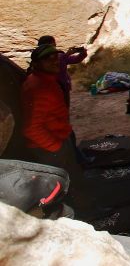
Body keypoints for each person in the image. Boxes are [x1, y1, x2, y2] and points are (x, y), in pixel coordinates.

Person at [21, 44, 81, 183]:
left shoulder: (45, 80)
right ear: (36, 64)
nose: (54, 61)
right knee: (63, 185)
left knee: (70, 181)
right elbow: (31, 129)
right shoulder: (39, 88)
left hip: (55, 140)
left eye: (55, 57)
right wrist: (56, 147)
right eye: (47, 59)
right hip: (50, 148)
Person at [36, 35, 87, 108]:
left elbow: (75, 59)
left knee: (65, 108)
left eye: (54, 45)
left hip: (63, 87)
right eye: (52, 45)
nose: (54, 48)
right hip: (51, 89)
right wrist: (66, 55)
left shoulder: (60, 55)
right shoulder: (41, 60)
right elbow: (53, 64)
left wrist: (83, 54)